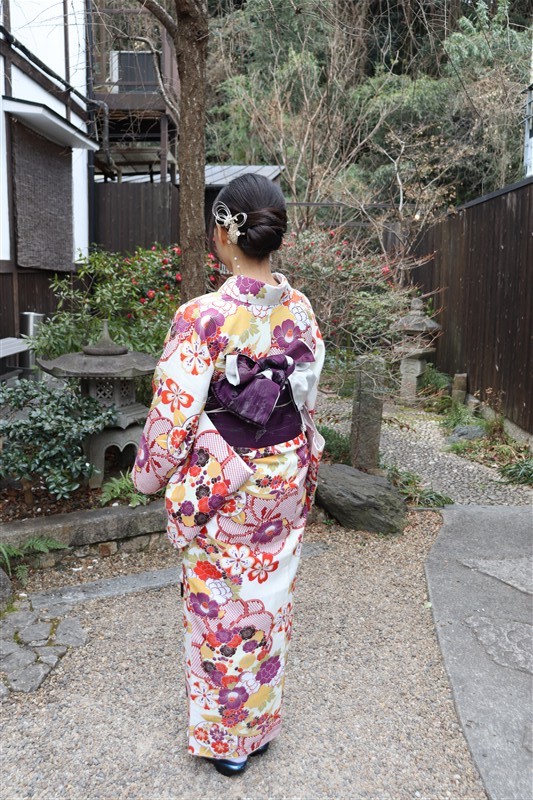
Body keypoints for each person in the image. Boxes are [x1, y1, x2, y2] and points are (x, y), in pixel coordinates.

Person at [132, 174, 325, 777]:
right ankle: (260, 727)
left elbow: (172, 418)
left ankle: (230, 740)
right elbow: (307, 396)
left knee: (222, 611)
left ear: (223, 232)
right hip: (285, 475)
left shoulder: (202, 317)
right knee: (269, 604)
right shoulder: (300, 309)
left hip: (228, 484)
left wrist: (148, 477)